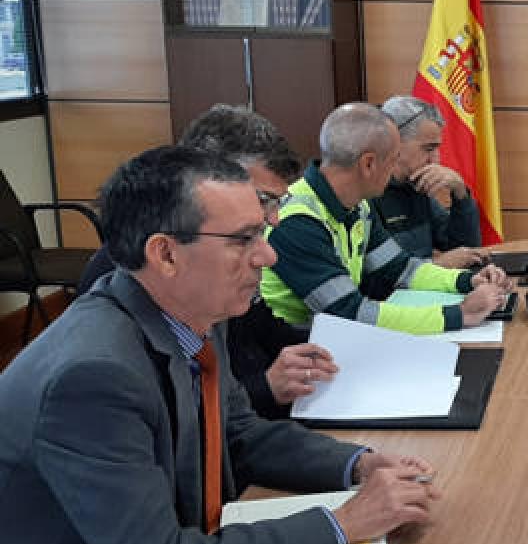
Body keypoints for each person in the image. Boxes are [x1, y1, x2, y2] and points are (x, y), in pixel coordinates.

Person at [0, 147, 442, 544]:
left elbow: (239, 433)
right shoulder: (91, 378)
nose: (267, 255)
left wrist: (357, 463)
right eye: (243, 239)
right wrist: (344, 523)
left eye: (263, 232)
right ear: (165, 254)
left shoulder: (195, 313)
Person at [77, 104, 337, 420]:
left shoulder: (217, 269)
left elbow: (264, 340)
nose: (275, 220)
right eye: (263, 200)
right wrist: (266, 387)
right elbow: (181, 420)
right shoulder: (137, 283)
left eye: (279, 202)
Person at [261, 103, 511, 334]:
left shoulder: (357, 206)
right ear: (368, 164)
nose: (395, 171)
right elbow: (350, 314)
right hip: (294, 354)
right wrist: (458, 315)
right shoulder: (296, 222)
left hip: (331, 348)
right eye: (392, 160)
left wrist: (467, 280)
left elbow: (400, 269)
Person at [370, 95, 487, 268]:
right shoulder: (366, 194)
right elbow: (381, 275)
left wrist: (460, 193)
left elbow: (464, 249)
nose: (436, 160)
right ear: (394, 142)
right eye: (429, 149)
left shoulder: (416, 186)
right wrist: (437, 264)